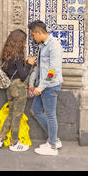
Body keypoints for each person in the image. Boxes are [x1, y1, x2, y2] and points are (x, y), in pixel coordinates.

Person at [0, 29, 37, 151]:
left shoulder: (7, 54)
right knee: (17, 116)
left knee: (11, 113)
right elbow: (23, 75)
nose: (25, 43)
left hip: (9, 87)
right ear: (20, 42)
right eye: (24, 41)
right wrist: (29, 63)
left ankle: (0, 138)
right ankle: (14, 143)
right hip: (19, 87)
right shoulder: (18, 56)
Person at [28, 20, 63, 156]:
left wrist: (41, 87)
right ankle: (55, 139)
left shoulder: (54, 46)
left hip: (50, 86)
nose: (33, 38)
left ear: (39, 32)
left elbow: (52, 70)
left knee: (50, 115)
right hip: (41, 86)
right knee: (36, 111)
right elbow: (39, 67)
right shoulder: (42, 46)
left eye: (33, 35)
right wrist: (32, 83)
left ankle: (52, 146)